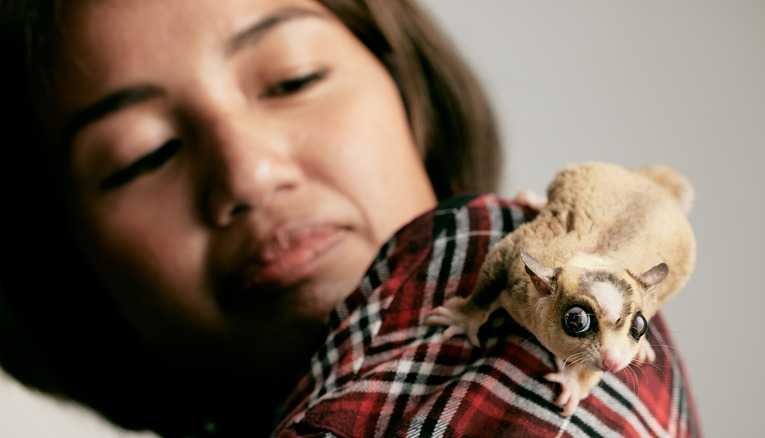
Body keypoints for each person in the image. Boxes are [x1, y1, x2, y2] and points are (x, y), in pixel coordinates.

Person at [0, 0, 700, 436]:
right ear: (65, 264)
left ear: (407, 92)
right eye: (143, 156)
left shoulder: (551, 316)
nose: (248, 172)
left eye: (292, 80)